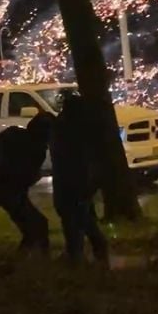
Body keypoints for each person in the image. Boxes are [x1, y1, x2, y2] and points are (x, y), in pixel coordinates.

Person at [51, 92, 109, 266]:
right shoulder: (82, 126)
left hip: (70, 180)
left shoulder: (65, 127)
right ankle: (85, 251)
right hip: (79, 180)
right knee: (81, 216)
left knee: (74, 217)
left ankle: (77, 253)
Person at [0, 113, 53, 254]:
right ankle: (42, 258)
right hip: (12, 193)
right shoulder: (38, 149)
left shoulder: (12, 133)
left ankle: (25, 252)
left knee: (29, 226)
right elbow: (28, 177)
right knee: (40, 225)